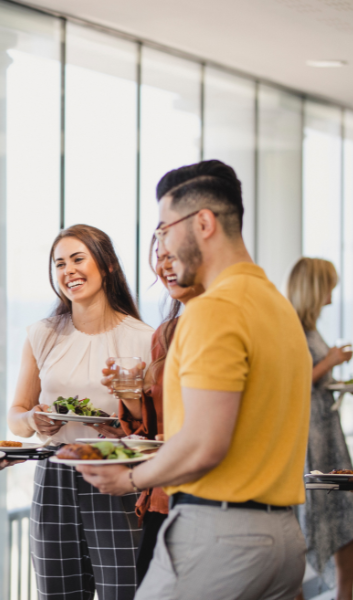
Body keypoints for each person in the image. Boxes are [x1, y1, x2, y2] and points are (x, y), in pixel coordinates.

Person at [77, 160, 311, 600]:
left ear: (202, 223)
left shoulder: (214, 309)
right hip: (283, 539)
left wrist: (130, 479)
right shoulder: (276, 306)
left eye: (164, 229)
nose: (162, 244)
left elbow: (206, 444)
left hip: (220, 536)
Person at [8, 224, 154, 600]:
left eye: (78, 259)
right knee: (58, 594)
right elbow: (17, 416)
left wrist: (128, 406)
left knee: (122, 592)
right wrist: (33, 419)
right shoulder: (42, 334)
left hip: (117, 472)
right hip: (55, 473)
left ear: (105, 266)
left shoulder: (143, 338)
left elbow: (155, 427)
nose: (68, 270)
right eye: (59, 264)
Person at [102, 244, 203, 585]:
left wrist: (129, 480)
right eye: (158, 258)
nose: (164, 266)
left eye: (172, 255)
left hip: (209, 502)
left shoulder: (229, 326)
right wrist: (128, 393)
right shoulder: (165, 334)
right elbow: (151, 429)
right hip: (162, 499)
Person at [287, 257, 353, 600]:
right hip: (311, 436)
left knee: (344, 511)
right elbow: (292, 384)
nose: (332, 294)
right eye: (329, 286)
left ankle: (344, 591)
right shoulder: (292, 328)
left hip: (326, 432)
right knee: (313, 513)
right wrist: (331, 362)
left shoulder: (311, 328)